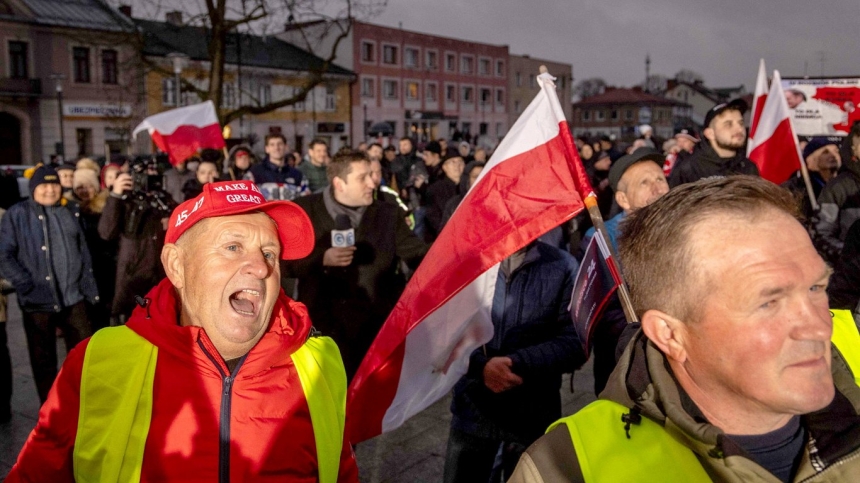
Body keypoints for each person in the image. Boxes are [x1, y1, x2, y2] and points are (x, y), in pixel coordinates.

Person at [510, 176, 860, 482]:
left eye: (816, 288)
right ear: (669, 334)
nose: (818, 326)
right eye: (768, 303)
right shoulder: (567, 468)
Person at [6, 180, 359, 481]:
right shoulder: (97, 362)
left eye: (270, 252)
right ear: (177, 266)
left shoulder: (319, 361)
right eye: (232, 247)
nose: (261, 267)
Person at [444, 241, 584, 483]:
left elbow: (575, 341)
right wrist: (480, 366)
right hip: (474, 410)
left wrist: (516, 362)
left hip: (533, 410)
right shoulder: (465, 264)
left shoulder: (563, 265)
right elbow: (442, 331)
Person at [283, 150, 427, 379]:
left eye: (373, 175)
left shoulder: (389, 213)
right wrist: (321, 258)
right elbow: (283, 263)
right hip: (321, 332)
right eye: (363, 177)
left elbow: (417, 253)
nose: (373, 182)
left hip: (374, 332)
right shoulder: (303, 211)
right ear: (339, 183)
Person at [0, 166, 98, 403]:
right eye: (44, 185)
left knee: (85, 354)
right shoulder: (17, 214)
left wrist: (88, 288)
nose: (50, 190)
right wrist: (25, 284)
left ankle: (83, 402)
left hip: (73, 297)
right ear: (34, 188)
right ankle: (51, 408)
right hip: (38, 300)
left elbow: (82, 251)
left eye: (54, 184)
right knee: (43, 360)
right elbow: (4, 255)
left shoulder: (70, 210)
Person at [98, 157, 176, 322]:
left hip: (160, 276)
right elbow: (106, 232)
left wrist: (171, 222)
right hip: (133, 279)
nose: (150, 177)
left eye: (153, 173)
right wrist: (116, 194)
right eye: (145, 174)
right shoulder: (123, 200)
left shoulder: (162, 199)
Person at [669, 99, 759, 187]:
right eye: (728, 124)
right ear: (710, 133)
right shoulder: (690, 169)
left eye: (741, 123)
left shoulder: (748, 167)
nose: (739, 129)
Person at [73, 168, 115, 330]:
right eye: (80, 187)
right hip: (81, 270)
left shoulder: (105, 207)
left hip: (104, 267)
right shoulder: (70, 210)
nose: (84, 191)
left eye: (89, 186)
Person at [814, 123, 860, 263]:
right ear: (854, 149)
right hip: (850, 275)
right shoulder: (838, 187)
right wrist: (852, 257)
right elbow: (821, 234)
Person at [783, 137, 841, 221]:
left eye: (836, 151)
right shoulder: (795, 188)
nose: (833, 155)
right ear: (811, 159)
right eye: (825, 152)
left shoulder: (846, 185)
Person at [247, 133, 310, 201]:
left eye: (280, 144)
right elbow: (246, 197)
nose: (276, 148)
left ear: (286, 147)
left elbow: (305, 199)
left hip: (289, 211)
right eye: (272, 145)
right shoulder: (255, 173)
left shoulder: (297, 175)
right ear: (267, 149)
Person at [425, 155, 465, 241]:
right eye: (452, 162)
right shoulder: (435, 189)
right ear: (444, 167)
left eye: (460, 162)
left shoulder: (470, 188)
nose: (457, 165)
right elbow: (434, 218)